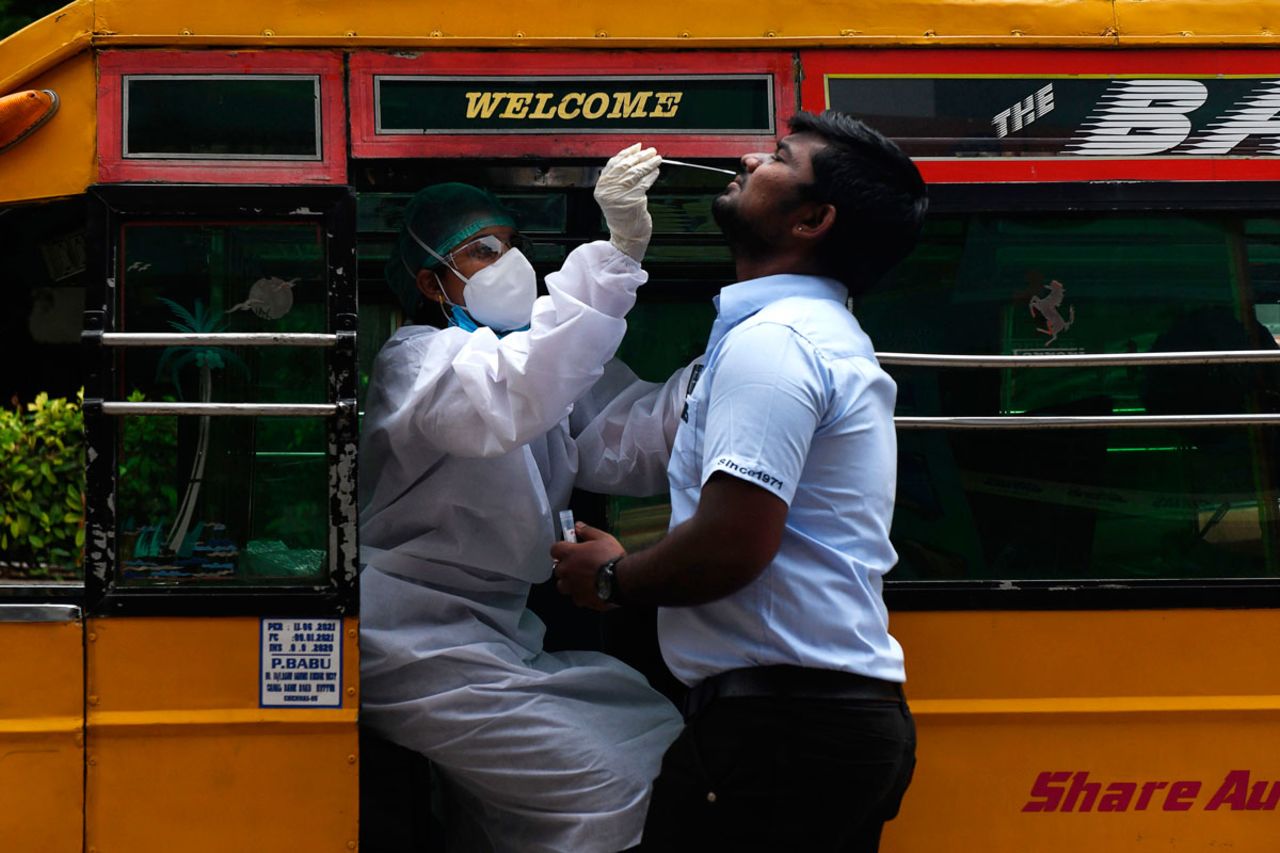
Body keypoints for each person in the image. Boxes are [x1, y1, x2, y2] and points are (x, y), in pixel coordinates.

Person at [550, 111, 928, 851]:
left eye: (781, 158)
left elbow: (734, 540)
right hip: (809, 728)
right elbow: (634, 440)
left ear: (814, 218)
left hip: (782, 733)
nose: (752, 157)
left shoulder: (776, 345)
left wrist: (612, 580)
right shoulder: (800, 337)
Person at [359, 145, 694, 853]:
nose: (508, 261)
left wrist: (733, 358)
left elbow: (630, 437)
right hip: (412, 641)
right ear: (430, 280)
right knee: (611, 780)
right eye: (482, 250)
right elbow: (516, 393)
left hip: (501, 635)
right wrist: (617, 254)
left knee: (652, 734)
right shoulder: (418, 360)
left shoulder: (531, 357)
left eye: (512, 243)